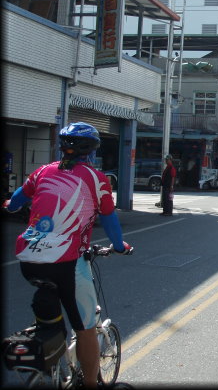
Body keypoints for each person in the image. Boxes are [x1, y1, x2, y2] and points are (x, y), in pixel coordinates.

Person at [2, 122, 132, 389]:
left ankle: (51, 352)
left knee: (51, 313)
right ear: (93, 150)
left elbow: (15, 201)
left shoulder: (41, 171)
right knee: (85, 328)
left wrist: (8, 204)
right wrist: (119, 246)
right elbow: (109, 219)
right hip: (67, 263)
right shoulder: (97, 179)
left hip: (28, 260)